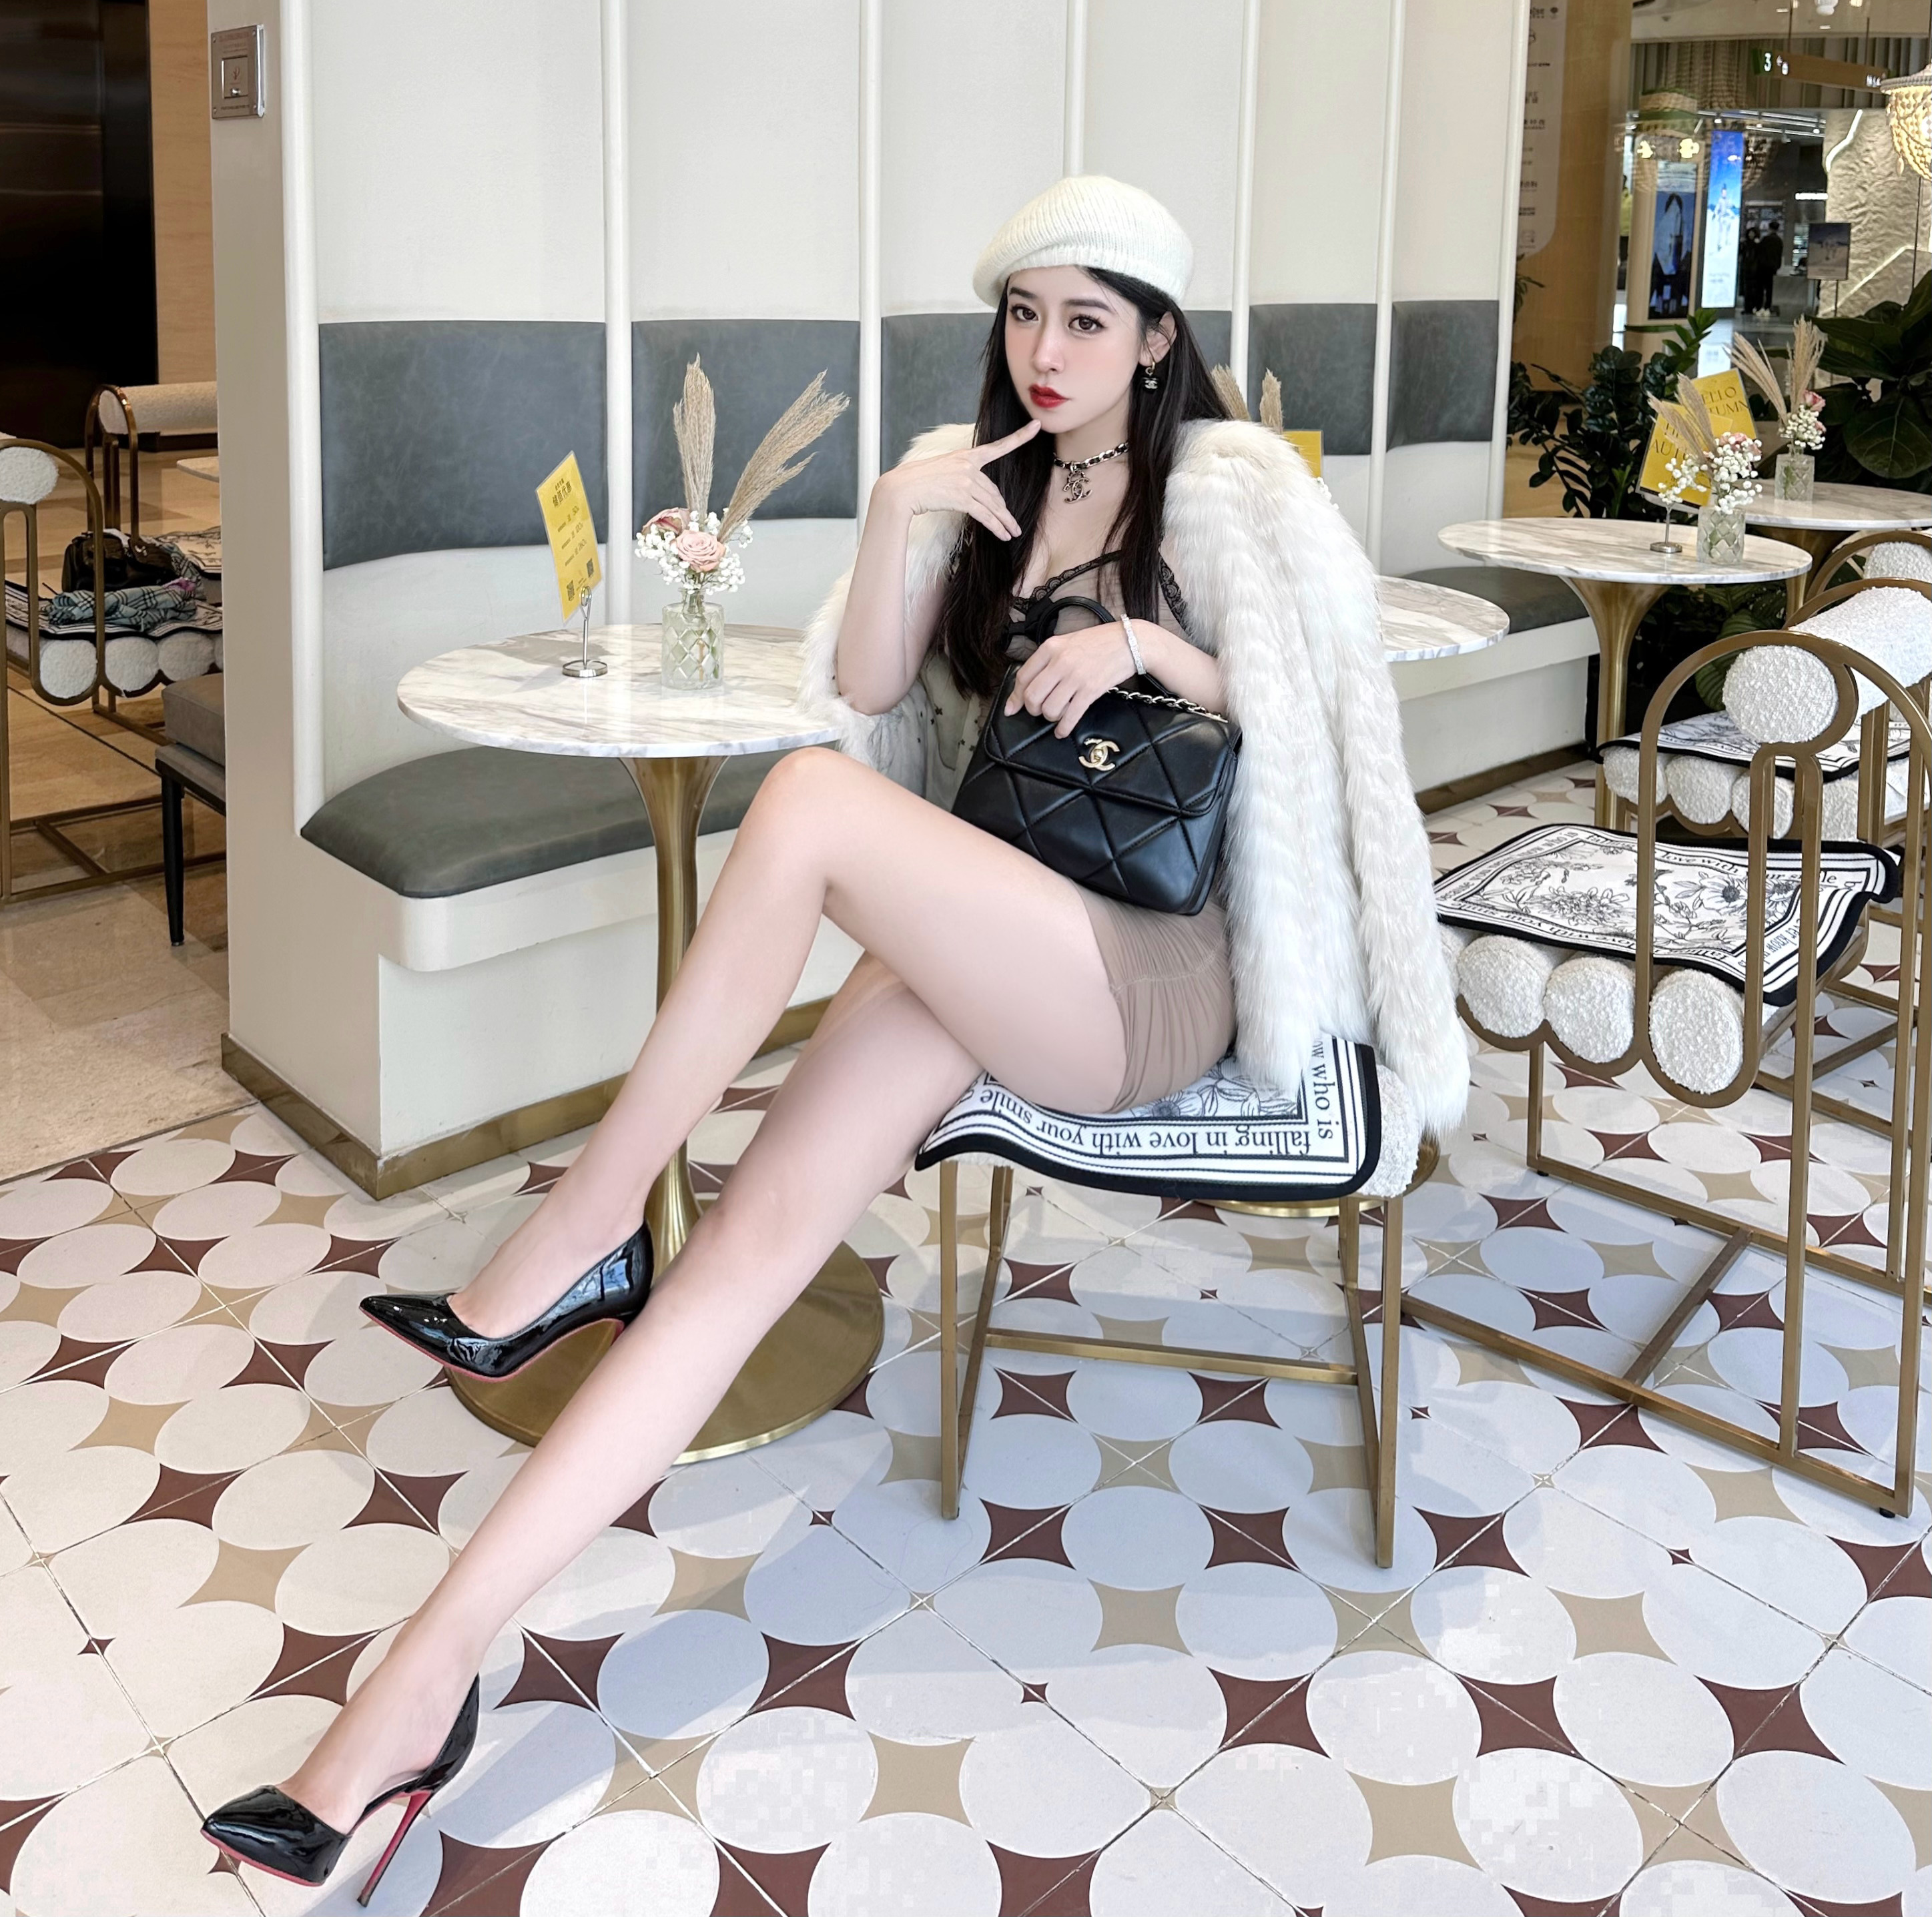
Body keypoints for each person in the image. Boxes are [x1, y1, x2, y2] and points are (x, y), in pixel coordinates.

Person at [200, 175, 1466, 1893]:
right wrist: (896, 513)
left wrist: (1159, 648)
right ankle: (416, 1695)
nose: (1046, 348)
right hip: (999, 929)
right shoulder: (988, 481)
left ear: (1158, 337)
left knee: (799, 806)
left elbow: (1335, 707)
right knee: (733, 1265)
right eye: (1024, 312)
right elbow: (866, 689)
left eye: (1087, 318)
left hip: (1158, 974)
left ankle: (581, 1229)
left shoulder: (1229, 490)